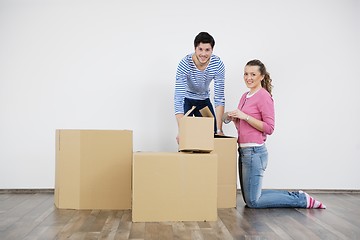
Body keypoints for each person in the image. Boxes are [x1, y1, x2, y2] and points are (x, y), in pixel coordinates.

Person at [225, 59, 326, 209]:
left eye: (253, 74)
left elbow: (269, 128)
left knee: (254, 201)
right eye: (246, 74)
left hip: (255, 153)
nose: (248, 77)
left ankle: (302, 200)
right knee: (250, 199)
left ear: (261, 76)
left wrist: (245, 116)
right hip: (244, 151)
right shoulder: (244, 96)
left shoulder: (264, 96)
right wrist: (235, 119)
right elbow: (244, 128)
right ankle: (296, 196)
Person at [174, 32, 225, 142]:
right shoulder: (185, 64)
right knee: (185, 137)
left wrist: (219, 129)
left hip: (203, 100)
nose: (203, 53)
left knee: (213, 136)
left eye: (207, 50)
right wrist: (181, 130)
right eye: (200, 49)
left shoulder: (217, 64)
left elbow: (219, 98)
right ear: (195, 49)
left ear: (212, 50)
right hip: (187, 100)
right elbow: (178, 98)